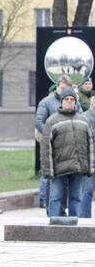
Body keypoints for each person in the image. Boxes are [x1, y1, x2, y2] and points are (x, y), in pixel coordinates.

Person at [40, 88, 95, 217]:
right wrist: (48, 171)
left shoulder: (84, 120)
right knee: (56, 197)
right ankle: (54, 224)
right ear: (62, 101)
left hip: (78, 167)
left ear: (75, 102)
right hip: (59, 169)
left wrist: (90, 167)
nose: (69, 101)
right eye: (66, 99)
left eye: (72, 99)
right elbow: (46, 148)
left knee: (76, 198)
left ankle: (74, 225)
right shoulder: (52, 121)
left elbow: (90, 145)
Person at [36, 75, 79, 210]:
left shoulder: (74, 103)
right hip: (51, 146)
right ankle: (44, 202)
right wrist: (51, 135)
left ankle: (63, 211)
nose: (65, 91)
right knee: (48, 177)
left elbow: (81, 120)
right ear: (58, 86)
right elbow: (39, 121)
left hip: (70, 150)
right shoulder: (46, 102)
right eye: (62, 88)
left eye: (68, 88)